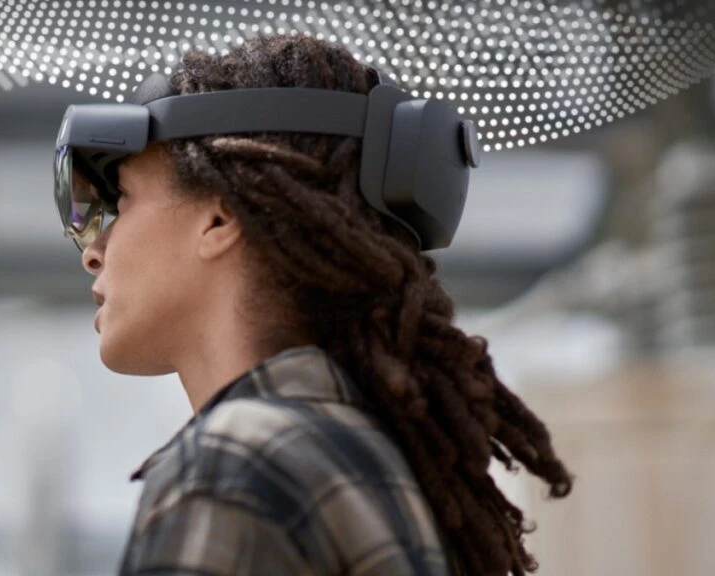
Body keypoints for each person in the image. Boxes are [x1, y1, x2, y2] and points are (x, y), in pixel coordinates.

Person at [77, 34, 573, 576]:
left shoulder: (233, 467)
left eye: (121, 202)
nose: (94, 253)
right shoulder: (383, 468)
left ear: (219, 219)